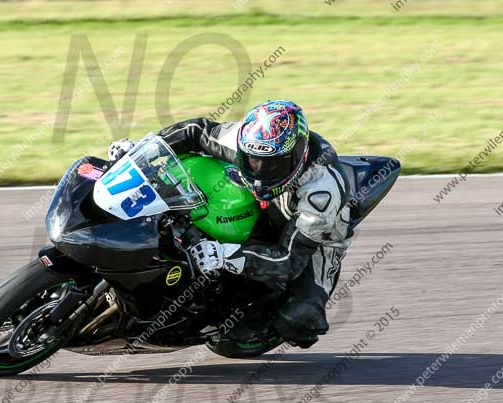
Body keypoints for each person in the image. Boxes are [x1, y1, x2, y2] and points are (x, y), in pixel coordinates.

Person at [107, 100, 352, 349]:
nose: (259, 172)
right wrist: (143, 150)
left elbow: (288, 260)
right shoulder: (247, 141)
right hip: (268, 205)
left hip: (314, 239)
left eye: (271, 165)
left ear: (297, 155)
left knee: (298, 318)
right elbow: (196, 131)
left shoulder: (320, 194)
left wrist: (224, 256)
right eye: (252, 161)